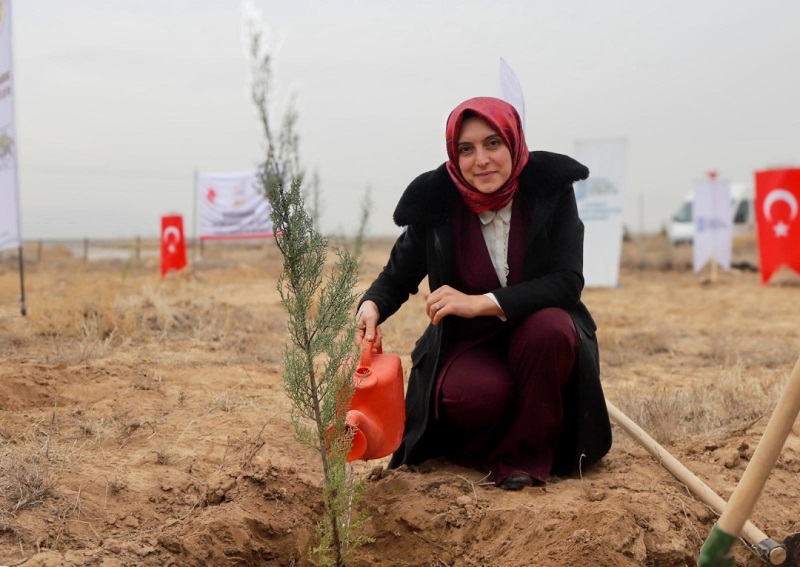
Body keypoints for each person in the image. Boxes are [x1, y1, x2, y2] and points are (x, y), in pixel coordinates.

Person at [355, 96, 611, 490]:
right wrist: (371, 306)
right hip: (467, 342)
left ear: (513, 142)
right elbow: (397, 275)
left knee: (552, 328)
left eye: (493, 143)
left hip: (538, 334)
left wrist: (481, 303)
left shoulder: (550, 190)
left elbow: (567, 281)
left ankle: (524, 459)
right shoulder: (437, 201)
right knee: (476, 397)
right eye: (466, 149)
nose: (481, 160)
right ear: (453, 155)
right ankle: (483, 450)